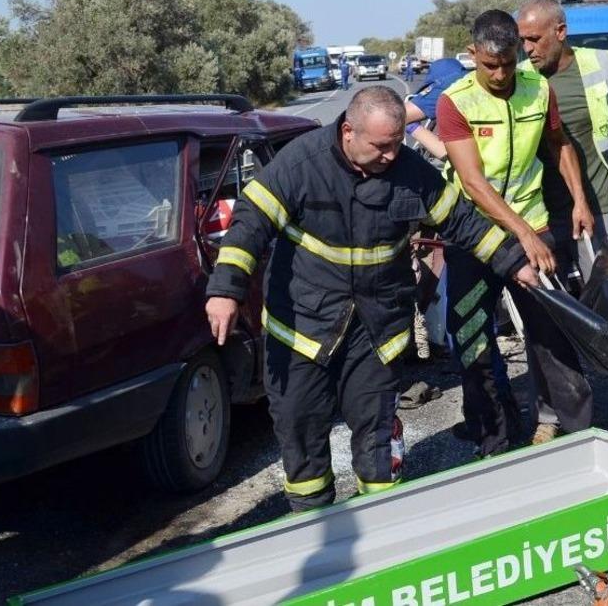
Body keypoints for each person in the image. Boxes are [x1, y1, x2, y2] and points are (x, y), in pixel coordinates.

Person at [204, 86, 537, 511]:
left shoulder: (412, 172)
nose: (391, 156)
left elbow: (462, 221)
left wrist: (514, 262)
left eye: (397, 144)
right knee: (301, 430)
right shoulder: (300, 165)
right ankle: (314, 523)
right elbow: (249, 225)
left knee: (376, 436)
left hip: (378, 328)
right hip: (303, 328)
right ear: (348, 131)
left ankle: (384, 523)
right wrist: (226, 289)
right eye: (380, 146)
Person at [437, 9, 595, 453]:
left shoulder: (538, 89)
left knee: (552, 329)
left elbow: (560, 146)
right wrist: (521, 234)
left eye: (509, 62)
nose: (502, 73)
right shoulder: (455, 102)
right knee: (471, 335)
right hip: (473, 235)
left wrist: (580, 199)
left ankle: (574, 428)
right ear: (472, 55)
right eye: (490, 65)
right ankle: (495, 433)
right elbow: (473, 182)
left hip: (535, 221)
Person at [517, 0, 608, 437]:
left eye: (534, 39)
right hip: (542, 214)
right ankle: (551, 414)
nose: (527, 49)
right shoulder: (518, 79)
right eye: (522, 40)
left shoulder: (602, 65)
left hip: (606, 203)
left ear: (560, 32)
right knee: (546, 316)